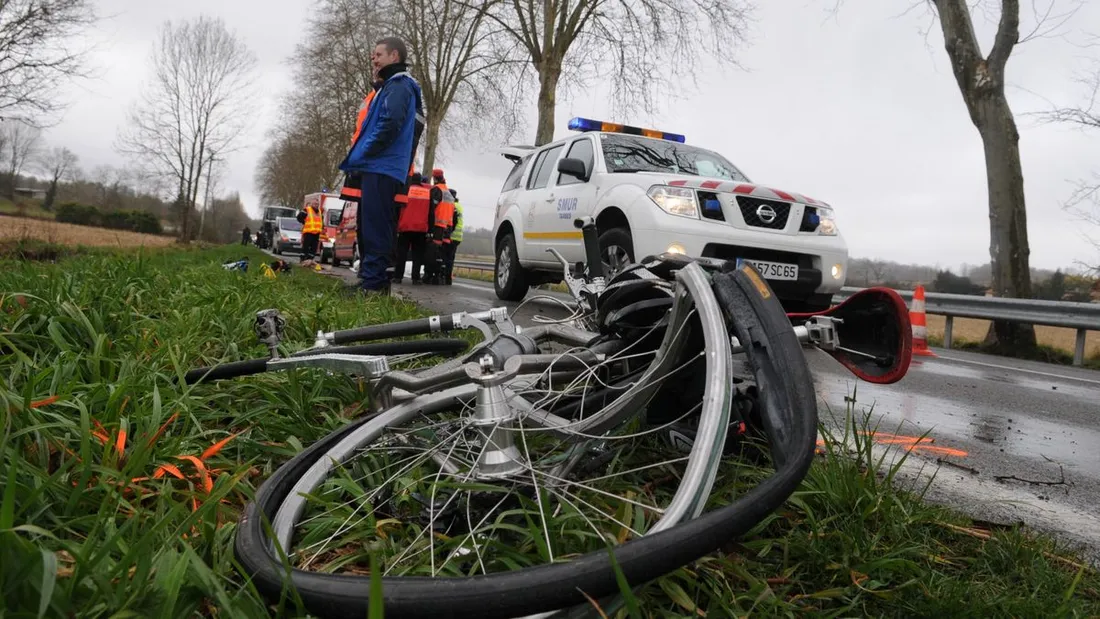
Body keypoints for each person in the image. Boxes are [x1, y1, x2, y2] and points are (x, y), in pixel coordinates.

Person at [338, 37, 425, 295]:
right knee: (372, 227)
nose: (373, 58)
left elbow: (390, 123)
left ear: (394, 56)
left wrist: (364, 152)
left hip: (382, 167)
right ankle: (372, 282)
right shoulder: (391, 85)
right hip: (380, 167)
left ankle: (373, 286)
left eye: (378, 54)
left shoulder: (399, 85)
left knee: (376, 227)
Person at [393, 171, 431, 284]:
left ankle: (398, 277)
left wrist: (396, 225)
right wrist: (430, 229)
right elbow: (431, 212)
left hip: (405, 226)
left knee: (402, 253)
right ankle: (415, 278)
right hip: (421, 228)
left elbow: (397, 209)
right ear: (420, 181)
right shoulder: (427, 192)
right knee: (417, 255)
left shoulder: (405, 191)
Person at [442, 189, 463, 285]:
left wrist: (447, 233)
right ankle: (448, 277)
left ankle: (445, 277)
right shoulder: (459, 206)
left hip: (451, 236)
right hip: (458, 237)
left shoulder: (452, 206)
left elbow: (453, 222)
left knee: (446, 257)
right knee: (451, 258)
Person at [299, 202, 323, 266]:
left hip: (316, 233)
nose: (316, 205)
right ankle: (303, 259)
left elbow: (321, 221)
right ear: (312, 204)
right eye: (315, 204)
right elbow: (299, 217)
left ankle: (310, 260)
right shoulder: (307, 210)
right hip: (308, 232)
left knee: (314, 248)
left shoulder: (319, 212)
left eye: (317, 204)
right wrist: (304, 222)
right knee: (306, 247)